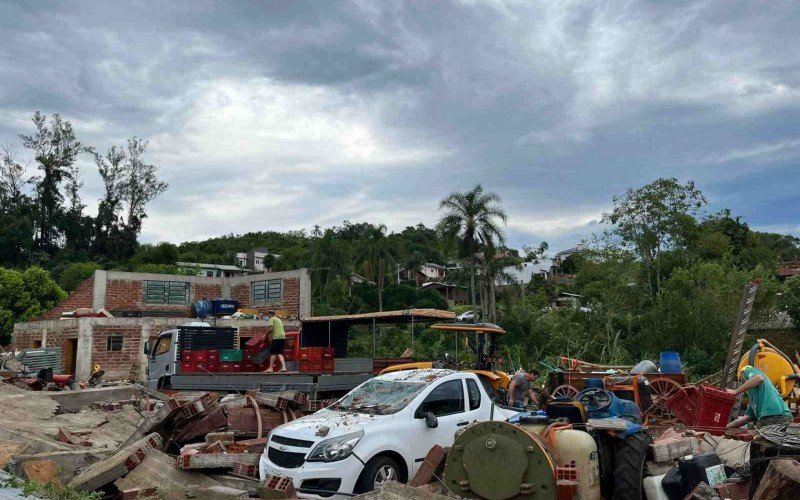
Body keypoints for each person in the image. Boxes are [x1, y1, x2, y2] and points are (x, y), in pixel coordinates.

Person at [726, 364, 793, 429]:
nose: (743, 384)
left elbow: (759, 378)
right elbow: (745, 419)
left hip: (772, 416)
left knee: (757, 439)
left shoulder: (748, 370)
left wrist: (735, 391)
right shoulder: (756, 399)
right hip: (786, 416)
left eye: (741, 380)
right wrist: (726, 427)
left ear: (741, 374)